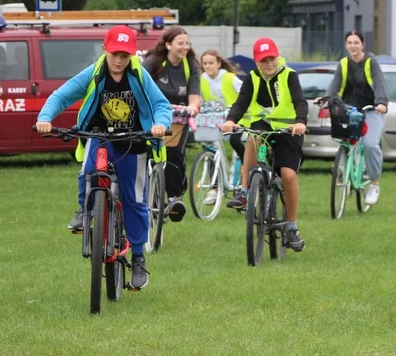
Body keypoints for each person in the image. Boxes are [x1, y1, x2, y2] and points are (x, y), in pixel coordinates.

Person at [36, 26, 171, 290]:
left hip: (134, 138)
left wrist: (160, 124)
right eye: (115, 54)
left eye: (125, 55)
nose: (119, 60)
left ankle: (139, 258)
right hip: (100, 135)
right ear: (104, 50)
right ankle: (84, 210)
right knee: (88, 170)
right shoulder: (95, 73)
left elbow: (161, 104)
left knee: (134, 200)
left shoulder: (139, 74)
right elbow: (62, 95)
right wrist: (44, 118)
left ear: (132, 54)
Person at [221, 38, 308, 252]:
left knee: (288, 175)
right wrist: (231, 120)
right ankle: (243, 191)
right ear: (256, 61)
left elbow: (299, 101)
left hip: (288, 129)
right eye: (263, 61)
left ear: (278, 57)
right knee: (254, 135)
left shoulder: (289, 75)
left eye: (272, 59)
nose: (269, 64)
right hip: (262, 125)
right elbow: (242, 101)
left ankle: (291, 227)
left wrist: (300, 122)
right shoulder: (252, 77)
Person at [142, 26, 201, 221]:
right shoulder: (153, 62)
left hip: (178, 119)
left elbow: (194, 96)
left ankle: (175, 198)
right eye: (180, 43)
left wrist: (192, 107)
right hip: (152, 116)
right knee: (149, 155)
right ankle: (150, 199)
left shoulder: (190, 65)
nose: (185, 47)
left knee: (175, 154)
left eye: (187, 43)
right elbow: (139, 85)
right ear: (168, 45)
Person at [325, 30, 388, 205]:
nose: (353, 46)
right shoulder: (344, 63)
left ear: (363, 44)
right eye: (349, 43)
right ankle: (343, 166)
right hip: (350, 109)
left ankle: (374, 183)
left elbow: (379, 83)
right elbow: (334, 85)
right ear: (346, 45)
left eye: (356, 42)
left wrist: (381, 103)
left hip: (372, 109)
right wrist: (326, 98)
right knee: (343, 138)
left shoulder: (371, 62)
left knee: (369, 144)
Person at [199, 49, 245, 205]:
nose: (208, 66)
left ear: (219, 63)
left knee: (236, 143)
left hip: (238, 120)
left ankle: (240, 181)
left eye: (211, 63)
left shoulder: (230, 78)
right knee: (210, 148)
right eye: (204, 64)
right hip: (215, 120)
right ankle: (216, 187)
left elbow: (246, 94)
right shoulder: (201, 80)